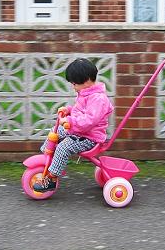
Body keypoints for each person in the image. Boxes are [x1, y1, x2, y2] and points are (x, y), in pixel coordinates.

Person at [33, 58, 114, 192]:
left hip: (90, 138)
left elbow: (89, 121)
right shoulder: (86, 92)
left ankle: (52, 179)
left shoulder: (99, 99)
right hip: (79, 132)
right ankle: (46, 158)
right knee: (56, 131)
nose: (73, 86)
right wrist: (69, 110)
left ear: (87, 80)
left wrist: (70, 122)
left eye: (74, 83)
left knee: (63, 147)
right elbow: (81, 110)